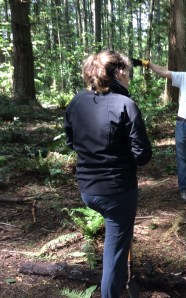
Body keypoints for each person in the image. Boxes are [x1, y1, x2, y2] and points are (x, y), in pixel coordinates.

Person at [64, 50, 152, 298]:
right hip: (117, 193)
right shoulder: (126, 104)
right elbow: (142, 155)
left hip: (87, 190)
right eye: (128, 73)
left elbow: (72, 142)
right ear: (120, 72)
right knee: (114, 252)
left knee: (117, 242)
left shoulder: (76, 102)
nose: (129, 77)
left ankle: (122, 277)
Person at [133, 53, 186, 203]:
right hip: (182, 124)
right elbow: (164, 72)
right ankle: (184, 189)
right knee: (182, 158)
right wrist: (147, 64)